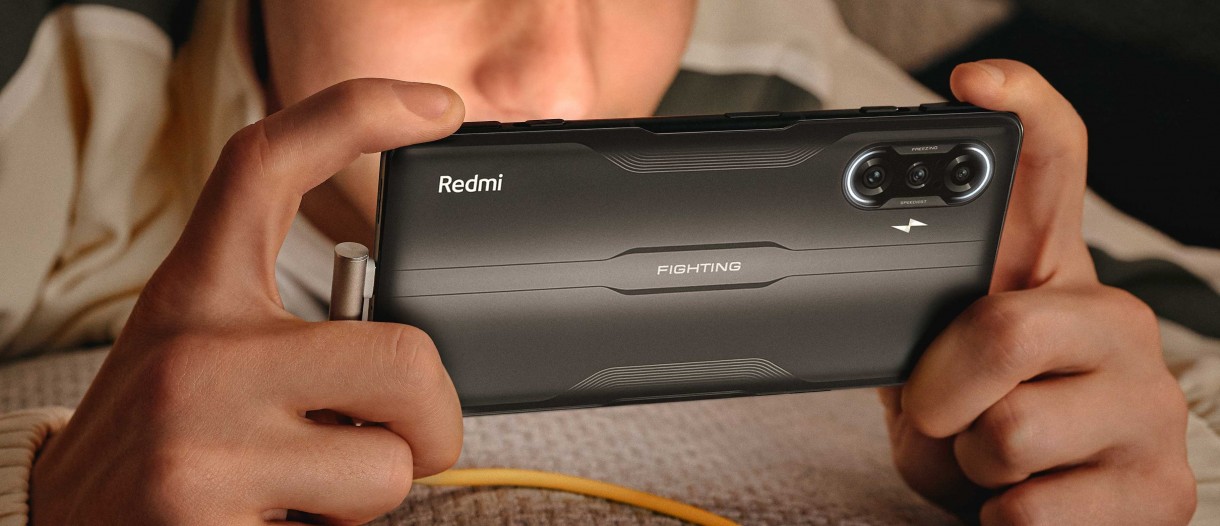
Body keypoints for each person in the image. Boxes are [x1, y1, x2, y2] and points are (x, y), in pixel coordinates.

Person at [0, 0, 1202, 524]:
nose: (561, 81)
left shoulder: (756, 60)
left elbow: (1176, 340)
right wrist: (46, 499)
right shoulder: (51, 86)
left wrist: (1123, 441)